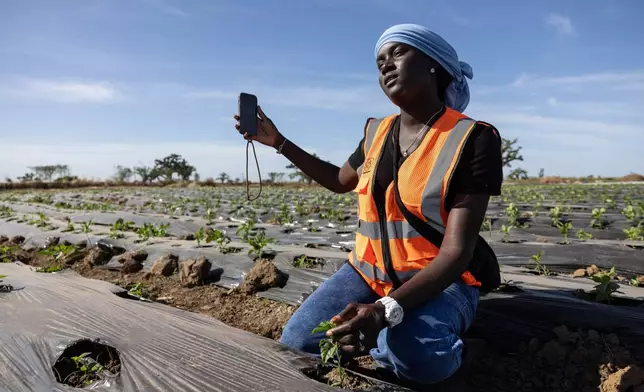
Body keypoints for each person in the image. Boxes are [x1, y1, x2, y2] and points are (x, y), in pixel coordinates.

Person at [233, 23, 503, 385]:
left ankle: (449, 350)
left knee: (413, 353)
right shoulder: (376, 132)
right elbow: (337, 180)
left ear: (434, 65)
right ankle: (386, 340)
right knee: (300, 340)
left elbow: (456, 254)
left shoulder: (473, 138)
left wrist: (385, 310)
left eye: (399, 53)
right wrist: (279, 142)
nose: (386, 65)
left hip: (438, 281)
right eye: (380, 61)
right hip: (368, 273)